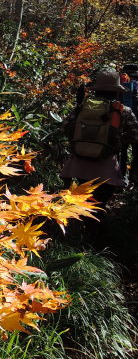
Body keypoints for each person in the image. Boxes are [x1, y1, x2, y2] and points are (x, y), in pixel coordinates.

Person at [60, 68, 138, 245]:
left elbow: (65, 127)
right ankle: (95, 243)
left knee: (84, 201)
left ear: (95, 89)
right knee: (99, 205)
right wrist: (116, 141)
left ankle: (77, 238)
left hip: (78, 165)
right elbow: (134, 136)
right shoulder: (122, 110)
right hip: (105, 168)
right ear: (116, 90)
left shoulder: (82, 107)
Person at [119, 64, 138, 182]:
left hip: (120, 122)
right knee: (136, 153)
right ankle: (133, 179)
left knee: (121, 153)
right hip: (136, 123)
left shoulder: (119, 86)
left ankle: (120, 179)